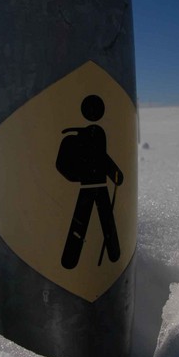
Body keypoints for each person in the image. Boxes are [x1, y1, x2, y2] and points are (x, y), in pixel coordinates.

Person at [56, 95, 122, 270]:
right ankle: (71, 259)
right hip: (92, 185)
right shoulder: (86, 136)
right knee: (87, 220)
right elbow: (103, 159)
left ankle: (111, 254)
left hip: (96, 185)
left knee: (100, 220)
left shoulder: (95, 134)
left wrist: (115, 173)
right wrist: (114, 173)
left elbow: (103, 158)